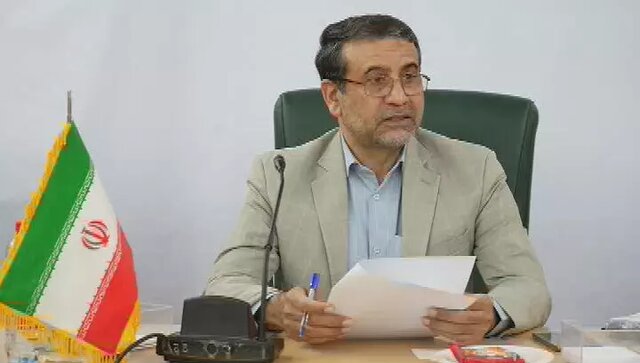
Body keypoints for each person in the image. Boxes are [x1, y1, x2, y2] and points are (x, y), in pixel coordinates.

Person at [205, 14, 551, 345]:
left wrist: (491, 313)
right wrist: (277, 310)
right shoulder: (277, 174)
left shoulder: (476, 169)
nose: (400, 97)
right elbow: (226, 283)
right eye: (377, 80)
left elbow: (528, 288)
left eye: (410, 77)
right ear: (333, 98)